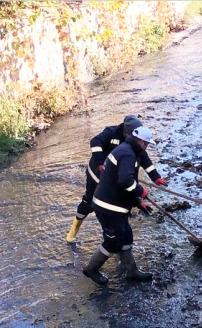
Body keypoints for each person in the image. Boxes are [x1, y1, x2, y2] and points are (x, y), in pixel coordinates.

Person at [65, 115, 167, 243]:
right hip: (97, 175)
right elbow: (95, 142)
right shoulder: (112, 133)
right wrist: (100, 162)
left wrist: (156, 177)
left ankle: (115, 239)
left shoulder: (135, 144)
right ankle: (75, 229)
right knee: (88, 203)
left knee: (119, 203)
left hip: (115, 178)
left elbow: (144, 159)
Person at [82, 126, 159, 285]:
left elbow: (122, 184)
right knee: (113, 241)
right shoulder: (127, 154)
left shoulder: (130, 151)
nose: (146, 147)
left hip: (116, 206)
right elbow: (126, 181)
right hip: (107, 208)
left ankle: (132, 272)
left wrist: (137, 202)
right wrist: (141, 192)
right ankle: (91, 269)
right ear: (139, 141)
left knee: (126, 236)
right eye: (146, 144)